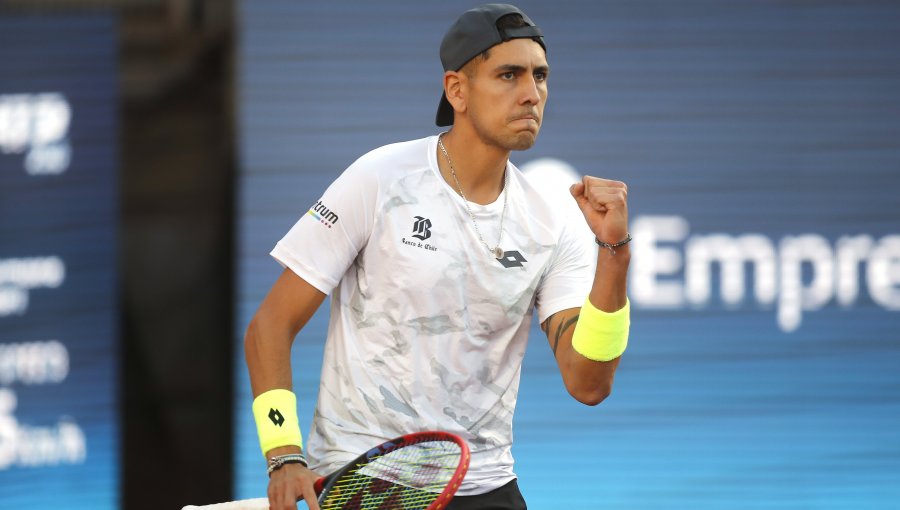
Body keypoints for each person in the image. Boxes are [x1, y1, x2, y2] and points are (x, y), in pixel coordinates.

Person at [244, 4, 632, 509]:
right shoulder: (379, 178)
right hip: (363, 477)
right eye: (508, 75)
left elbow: (589, 384)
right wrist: (283, 454)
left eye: (540, 76)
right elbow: (269, 327)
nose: (531, 93)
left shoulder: (554, 217)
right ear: (458, 90)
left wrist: (614, 255)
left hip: (486, 485)